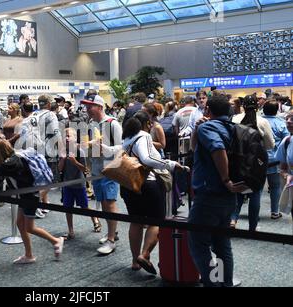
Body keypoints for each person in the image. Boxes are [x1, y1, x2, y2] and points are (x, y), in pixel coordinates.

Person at [0, 140, 64, 264]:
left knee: (30, 227)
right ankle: (29, 255)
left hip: (29, 195)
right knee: (20, 223)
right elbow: (0, 172)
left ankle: (56, 241)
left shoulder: (11, 162)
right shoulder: (13, 158)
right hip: (25, 194)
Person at [188, 94, 247, 287]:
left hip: (209, 196)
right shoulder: (232, 128)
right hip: (229, 197)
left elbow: (218, 149)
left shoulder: (209, 127)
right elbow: (194, 147)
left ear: (207, 110)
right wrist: (197, 129)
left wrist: (226, 179)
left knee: (199, 244)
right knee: (222, 245)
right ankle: (224, 283)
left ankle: (213, 283)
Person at [121, 112, 186, 273]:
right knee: (156, 221)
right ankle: (144, 255)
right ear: (147, 124)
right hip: (148, 184)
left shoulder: (127, 138)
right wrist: (170, 164)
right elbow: (148, 158)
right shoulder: (143, 136)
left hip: (129, 185)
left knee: (135, 222)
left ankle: (135, 261)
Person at [82, 94, 122, 255]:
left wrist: (104, 147)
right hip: (97, 169)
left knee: (110, 203)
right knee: (104, 204)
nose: (87, 109)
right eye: (86, 106)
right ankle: (112, 233)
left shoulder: (113, 124)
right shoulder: (91, 124)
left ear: (99, 106)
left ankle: (111, 239)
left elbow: (121, 147)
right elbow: (91, 146)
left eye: (89, 106)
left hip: (111, 169)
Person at [230, 94, 275, 231]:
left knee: (237, 191)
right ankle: (252, 227)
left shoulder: (234, 119)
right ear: (257, 106)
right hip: (256, 163)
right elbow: (270, 144)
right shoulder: (262, 121)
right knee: (256, 192)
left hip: (237, 160)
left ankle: (233, 219)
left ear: (243, 106)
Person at [59, 128, 101, 239]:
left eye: (69, 136)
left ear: (75, 138)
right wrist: (62, 160)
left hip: (79, 184)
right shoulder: (63, 151)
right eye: (65, 136)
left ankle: (95, 219)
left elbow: (85, 169)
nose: (67, 138)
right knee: (67, 208)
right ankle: (71, 231)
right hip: (67, 185)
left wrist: (75, 162)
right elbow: (59, 169)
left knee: (84, 207)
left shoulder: (80, 151)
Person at [262, 100, 289, 220]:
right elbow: (286, 142)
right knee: (275, 186)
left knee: (256, 187)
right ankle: (274, 212)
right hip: (274, 159)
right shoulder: (282, 123)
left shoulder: (259, 120)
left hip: (258, 158)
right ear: (277, 110)